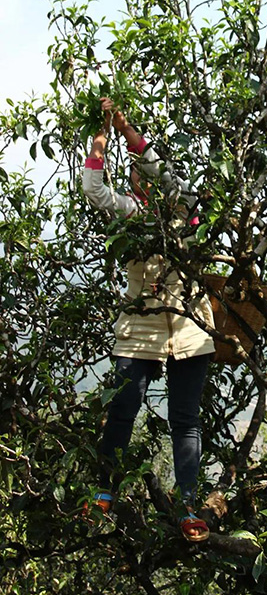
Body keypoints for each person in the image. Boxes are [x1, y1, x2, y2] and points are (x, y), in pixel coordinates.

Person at [82, 98, 214, 542]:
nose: (144, 176)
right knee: (123, 406)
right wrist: (100, 145)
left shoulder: (183, 208)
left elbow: (161, 172)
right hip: (139, 325)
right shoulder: (132, 214)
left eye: (149, 170)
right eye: (136, 172)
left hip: (190, 325)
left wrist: (127, 130)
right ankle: (106, 490)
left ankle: (188, 503)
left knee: (185, 419)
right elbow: (96, 190)